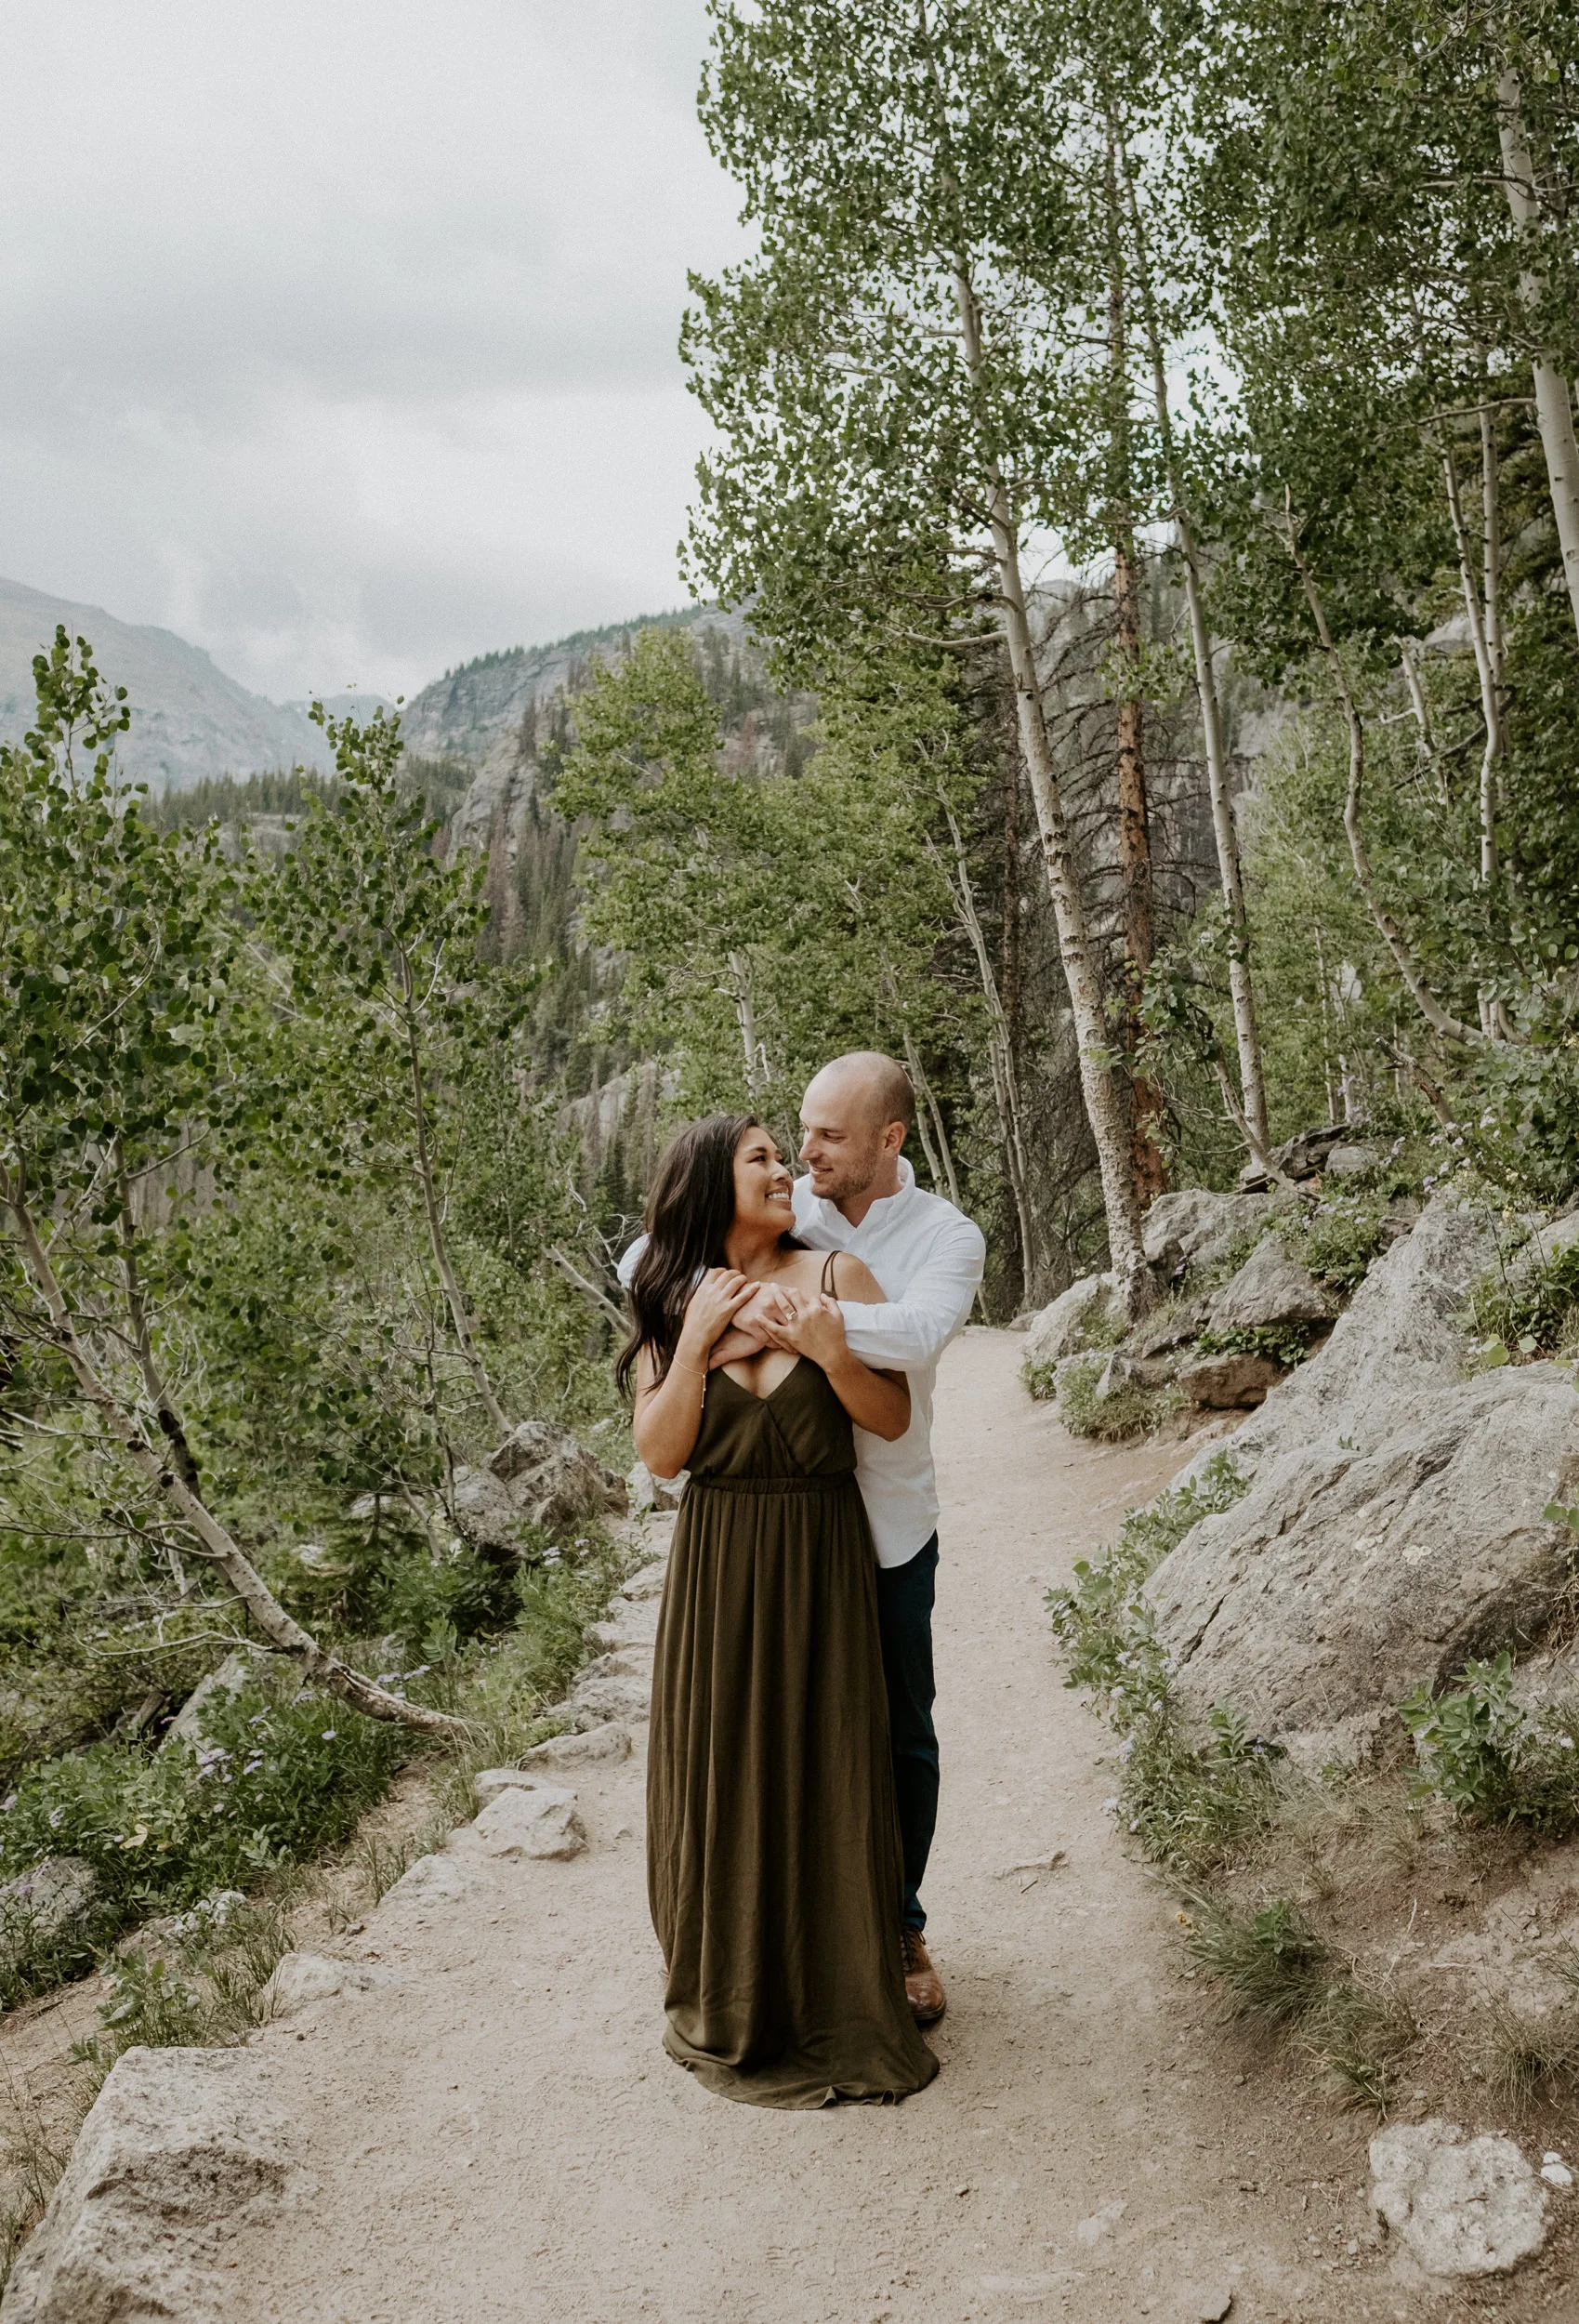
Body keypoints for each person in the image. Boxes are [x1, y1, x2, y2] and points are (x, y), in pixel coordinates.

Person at [621, 1052, 985, 2025]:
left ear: (886, 1141)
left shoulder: (938, 1238)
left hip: (876, 1527)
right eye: (780, 1149)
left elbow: (904, 1352)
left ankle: (893, 1926)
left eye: (821, 1139)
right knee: (739, 1748)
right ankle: (746, 1947)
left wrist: (821, 1334)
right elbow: (647, 1263)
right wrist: (716, 1328)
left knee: (885, 1735)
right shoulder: (778, 1228)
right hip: (734, 1550)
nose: (800, 1162)